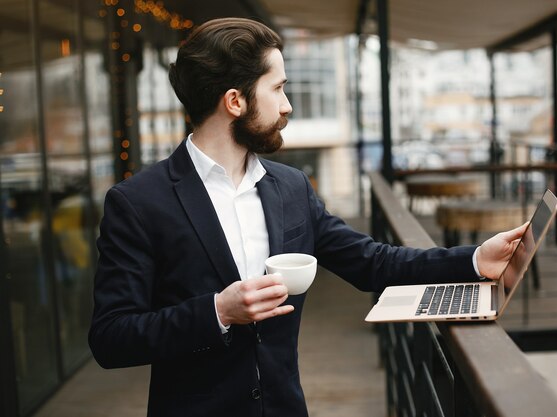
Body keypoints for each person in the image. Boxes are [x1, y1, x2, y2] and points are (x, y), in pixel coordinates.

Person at [88, 17, 526, 417]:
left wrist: (472, 261)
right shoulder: (137, 203)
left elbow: (372, 261)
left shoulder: (291, 187)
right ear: (235, 101)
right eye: (277, 88)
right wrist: (218, 311)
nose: (288, 105)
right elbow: (112, 337)